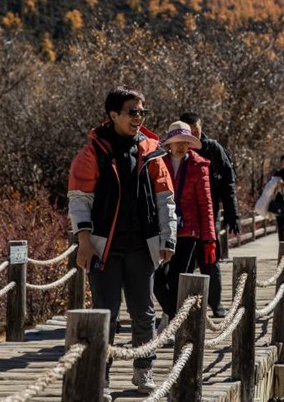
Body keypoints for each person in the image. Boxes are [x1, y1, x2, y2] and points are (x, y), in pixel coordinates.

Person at [67, 86, 177, 398]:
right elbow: (79, 199)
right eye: (132, 112)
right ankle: (99, 377)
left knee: (144, 313)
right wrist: (84, 240)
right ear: (113, 115)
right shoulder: (92, 153)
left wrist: (168, 239)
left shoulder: (153, 150)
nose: (139, 118)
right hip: (104, 246)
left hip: (143, 246)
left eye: (142, 112)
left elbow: (165, 200)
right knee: (105, 314)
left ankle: (144, 371)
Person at [153, 121, 217, 341]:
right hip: (161, 228)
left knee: (180, 279)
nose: (181, 146)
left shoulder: (199, 166)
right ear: (169, 144)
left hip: (187, 231)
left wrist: (209, 240)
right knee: (156, 276)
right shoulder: (156, 163)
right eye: (177, 142)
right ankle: (170, 315)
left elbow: (206, 204)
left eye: (186, 142)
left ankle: (172, 324)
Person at [179, 112, 239, 318]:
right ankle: (181, 306)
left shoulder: (214, 150)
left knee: (209, 258)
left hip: (208, 212)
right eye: (189, 131)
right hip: (183, 215)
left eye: (196, 129)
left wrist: (233, 215)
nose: (194, 134)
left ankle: (216, 303)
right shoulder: (177, 148)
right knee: (183, 261)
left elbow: (228, 185)